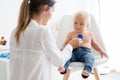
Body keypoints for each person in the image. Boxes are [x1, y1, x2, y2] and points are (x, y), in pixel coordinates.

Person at [9, 0, 81, 80]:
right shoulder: (42, 32)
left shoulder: (15, 32)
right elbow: (59, 61)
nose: (51, 16)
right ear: (45, 8)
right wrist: (71, 45)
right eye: (52, 11)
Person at [58, 11, 108, 79]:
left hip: (86, 53)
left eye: (81, 24)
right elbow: (66, 43)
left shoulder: (89, 34)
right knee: (67, 57)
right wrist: (63, 48)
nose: (77, 25)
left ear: (87, 25)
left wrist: (101, 50)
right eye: (75, 23)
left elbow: (95, 44)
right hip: (73, 52)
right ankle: (64, 68)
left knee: (90, 58)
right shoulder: (71, 33)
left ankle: (86, 71)